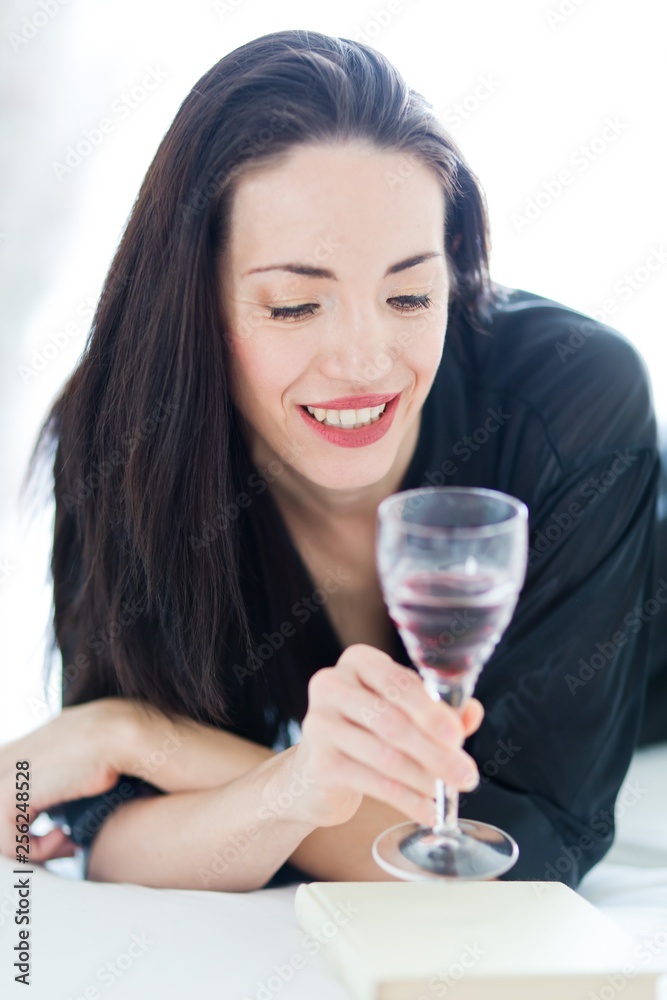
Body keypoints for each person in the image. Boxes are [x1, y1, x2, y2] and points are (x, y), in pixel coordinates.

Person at [0, 29, 661, 893]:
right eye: (294, 304)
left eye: (410, 294)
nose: (365, 360)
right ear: (194, 306)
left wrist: (133, 736)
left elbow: (523, 858)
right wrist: (283, 783)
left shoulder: (574, 395)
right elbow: (116, 834)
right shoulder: (126, 437)